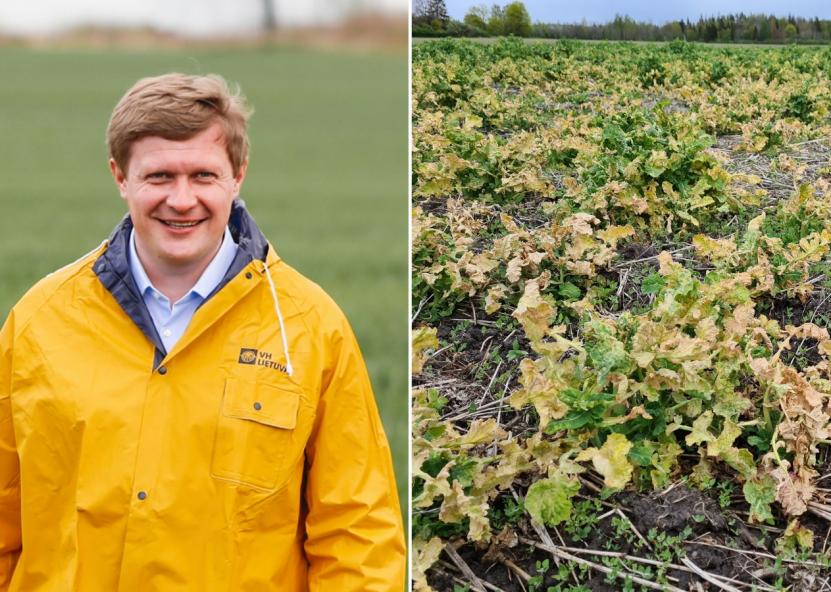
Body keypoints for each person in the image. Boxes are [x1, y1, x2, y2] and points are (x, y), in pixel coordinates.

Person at [0, 73, 405, 590]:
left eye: (203, 176)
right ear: (120, 177)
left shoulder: (308, 326)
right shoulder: (40, 319)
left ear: (238, 176)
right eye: (160, 176)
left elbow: (358, 535)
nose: (183, 200)